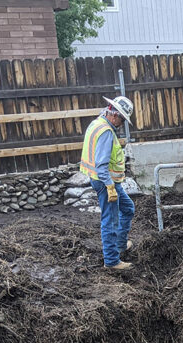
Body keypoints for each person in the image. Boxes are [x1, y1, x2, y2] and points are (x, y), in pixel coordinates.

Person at [79, 96, 136, 271]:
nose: (121, 124)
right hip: (105, 182)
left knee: (128, 209)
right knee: (110, 220)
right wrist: (110, 186)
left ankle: (119, 245)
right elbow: (101, 164)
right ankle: (111, 261)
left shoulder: (96, 124)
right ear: (115, 115)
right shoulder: (105, 132)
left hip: (104, 180)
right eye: (122, 120)